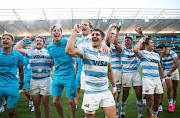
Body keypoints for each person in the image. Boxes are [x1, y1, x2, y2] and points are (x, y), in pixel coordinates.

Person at [66, 26, 118, 118]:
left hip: (105, 91)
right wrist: (74, 31)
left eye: (97, 35)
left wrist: (114, 86)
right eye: (93, 34)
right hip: (90, 92)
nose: (94, 36)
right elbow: (69, 50)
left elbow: (109, 71)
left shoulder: (107, 53)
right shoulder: (85, 51)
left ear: (102, 39)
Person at [14, 36, 53, 118]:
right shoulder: (30, 52)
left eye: (40, 41)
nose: (38, 42)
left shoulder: (48, 52)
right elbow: (15, 48)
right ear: (35, 43)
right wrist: (24, 39)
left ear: (43, 43)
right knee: (36, 104)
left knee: (46, 104)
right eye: (37, 41)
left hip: (46, 80)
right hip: (34, 81)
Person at [113, 24, 143, 118]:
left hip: (135, 74)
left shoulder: (136, 50)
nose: (126, 42)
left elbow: (144, 41)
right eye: (125, 40)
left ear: (132, 41)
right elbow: (115, 43)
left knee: (139, 95)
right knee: (125, 95)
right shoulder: (122, 51)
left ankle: (140, 115)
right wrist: (118, 31)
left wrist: (141, 33)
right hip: (126, 74)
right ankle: (122, 113)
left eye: (128, 40)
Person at [47, 24, 76, 118]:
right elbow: (51, 60)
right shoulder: (49, 47)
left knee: (71, 101)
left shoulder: (67, 42)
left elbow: (75, 52)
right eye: (54, 30)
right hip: (57, 76)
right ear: (51, 33)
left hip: (69, 75)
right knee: (55, 101)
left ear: (61, 33)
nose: (57, 32)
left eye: (59, 30)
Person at [133, 36, 166, 118]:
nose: (154, 44)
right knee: (150, 101)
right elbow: (135, 50)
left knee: (157, 101)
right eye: (152, 43)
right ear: (146, 45)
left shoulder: (156, 55)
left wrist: (163, 80)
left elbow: (160, 68)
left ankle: (154, 115)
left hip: (157, 80)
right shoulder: (143, 53)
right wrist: (141, 40)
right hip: (148, 80)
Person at [0, 33, 24, 118]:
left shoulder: (18, 55)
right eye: (3, 38)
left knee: (11, 111)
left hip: (12, 87)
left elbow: (21, 69)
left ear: (12, 42)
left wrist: (21, 82)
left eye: (7, 38)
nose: (5, 40)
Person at [105, 24, 123, 118]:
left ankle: (115, 114)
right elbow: (106, 40)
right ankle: (108, 114)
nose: (112, 38)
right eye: (111, 36)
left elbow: (116, 44)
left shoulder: (119, 47)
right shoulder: (106, 45)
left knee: (117, 94)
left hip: (117, 71)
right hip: (107, 71)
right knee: (107, 94)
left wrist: (117, 31)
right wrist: (111, 27)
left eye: (114, 36)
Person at [157, 44, 179, 112]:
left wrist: (171, 72)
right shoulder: (161, 54)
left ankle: (173, 103)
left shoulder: (172, 53)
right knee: (170, 87)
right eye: (159, 50)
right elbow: (158, 61)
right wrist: (161, 54)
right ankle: (170, 103)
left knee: (175, 88)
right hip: (166, 71)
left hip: (174, 71)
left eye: (161, 50)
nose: (160, 51)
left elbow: (177, 63)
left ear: (164, 48)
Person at [22, 44, 34, 112]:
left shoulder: (35, 57)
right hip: (26, 76)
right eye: (28, 48)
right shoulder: (24, 58)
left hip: (34, 77)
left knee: (34, 92)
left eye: (30, 48)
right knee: (25, 91)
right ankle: (30, 99)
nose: (29, 49)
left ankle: (34, 106)